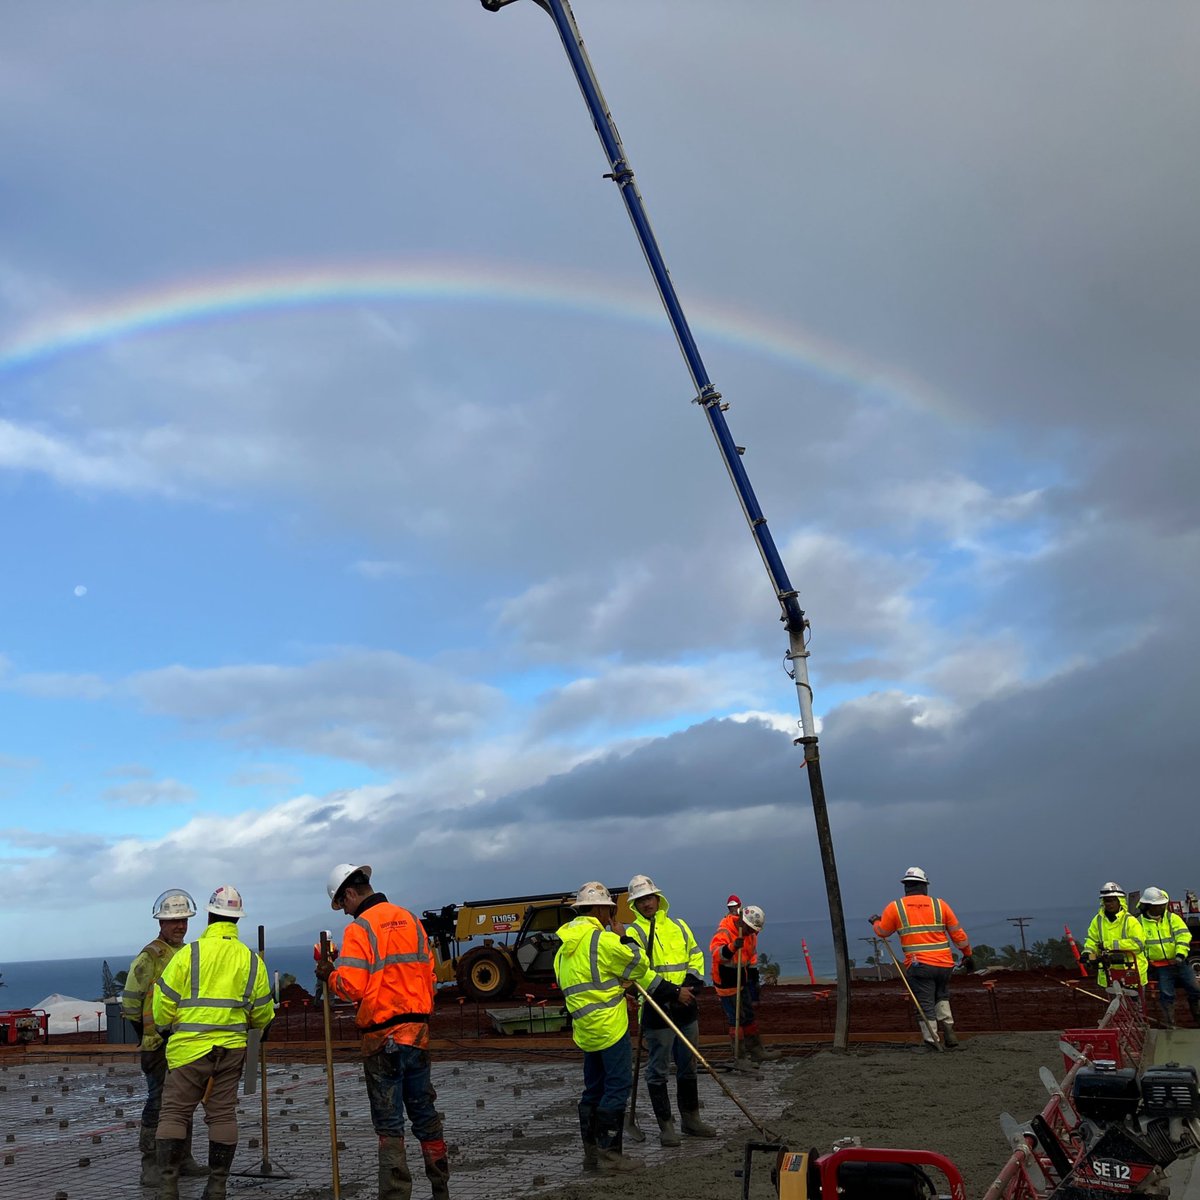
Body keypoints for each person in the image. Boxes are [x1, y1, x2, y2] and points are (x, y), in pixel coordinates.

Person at [316, 863, 447, 1200]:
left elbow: (352, 986)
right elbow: (430, 976)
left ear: (349, 893)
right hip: (417, 1034)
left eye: (343, 905)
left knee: (390, 1125)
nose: (346, 912)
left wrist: (329, 974)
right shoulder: (411, 920)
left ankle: (395, 1195)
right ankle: (441, 1189)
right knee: (425, 1115)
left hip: (381, 1039)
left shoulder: (360, 929)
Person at [555, 881, 691, 1174]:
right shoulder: (603, 941)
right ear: (599, 910)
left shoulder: (564, 946)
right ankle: (611, 1157)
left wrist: (616, 987)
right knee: (617, 1086)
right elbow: (639, 964)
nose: (610, 915)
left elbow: (580, 983)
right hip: (610, 1027)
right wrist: (625, 937)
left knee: (593, 1089)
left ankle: (592, 1155)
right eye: (608, 910)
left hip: (585, 1029)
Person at [152, 885, 275, 1200]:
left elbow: (162, 1003)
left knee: (174, 1114)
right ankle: (217, 1187)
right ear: (237, 919)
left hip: (188, 1050)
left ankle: (168, 1189)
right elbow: (263, 1013)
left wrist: (166, 1029)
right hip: (231, 1051)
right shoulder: (250, 960)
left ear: (208, 916)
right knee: (222, 1115)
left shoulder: (189, 954)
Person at [120, 888, 209, 1188]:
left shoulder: (187, 954)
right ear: (161, 922)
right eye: (174, 921)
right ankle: (151, 1166)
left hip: (185, 1043)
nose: (180, 926)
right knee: (157, 1102)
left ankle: (182, 1159)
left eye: (184, 920)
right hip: (158, 1045)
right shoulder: (150, 957)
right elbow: (131, 1003)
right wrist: (149, 1034)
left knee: (185, 1101)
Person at [623, 875, 715, 1146]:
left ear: (658, 898)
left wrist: (690, 986)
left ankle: (691, 1120)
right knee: (658, 1070)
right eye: (640, 900)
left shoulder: (679, 926)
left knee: (688, 1065)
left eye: (649, 898)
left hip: (686, 1006)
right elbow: (640, 972)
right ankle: (666, 1127)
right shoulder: (633, 934)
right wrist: (674, 993)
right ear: (634, 905)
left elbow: (695, 955)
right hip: (657, 1008)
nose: (646, 904)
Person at [870, 867, 973, 1051]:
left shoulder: (896, 907)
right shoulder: (940, 905)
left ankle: (932, 1042)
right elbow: (959, 936)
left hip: (920, 965)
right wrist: (968, 954)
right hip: (944, 964)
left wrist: (876, 922)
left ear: (906, 887)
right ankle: (949, 1033)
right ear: (925, 886)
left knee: (924, 1003)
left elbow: (883, 932)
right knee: (941, 996)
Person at [709, 903, 779, 1064]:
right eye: (750, 929)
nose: (752, 933)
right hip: (726, 983)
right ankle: (739, 1056)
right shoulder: (725, 931)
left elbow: (751, 959)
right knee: (736, 1020)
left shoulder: (751, 935)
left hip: (743, 981)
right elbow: (716, 954)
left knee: (748, 1016)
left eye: (755, 930)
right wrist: (733, 947)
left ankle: (756, 1051)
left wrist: (754, 983)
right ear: (742, 923)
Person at [1135, 886, 1195, 1027]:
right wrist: (1147, 962)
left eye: (1163, 904)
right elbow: (1138, 945)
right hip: (1159, 966)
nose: (1162, 907)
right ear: (1149, 905)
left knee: (1196, 990)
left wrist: (1180, 954)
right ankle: (1170, 1025)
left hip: (1180, 962)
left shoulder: (1172, 918)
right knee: (1167, 995)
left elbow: (1183, 936)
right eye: (1158, 905)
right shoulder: (1138, 923)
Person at [1081, 882, 1147, 992]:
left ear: (1120, 901)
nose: (1109, 904)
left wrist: (1109, 945)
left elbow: (1139, 944)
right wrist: (1088, 953)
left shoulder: (1130, 921)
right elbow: (1092, 940)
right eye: (1107, 901)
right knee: (1113, 1002)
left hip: (1131, 972)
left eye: (1112, 900)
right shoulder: (1097, 920)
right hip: (1109, 974)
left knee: (1135, 1003)